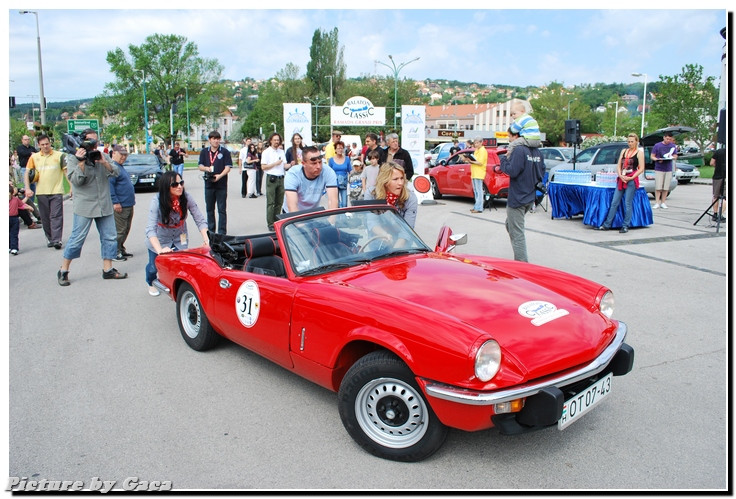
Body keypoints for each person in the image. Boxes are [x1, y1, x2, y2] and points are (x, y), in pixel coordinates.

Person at [57, 128, 127, 286]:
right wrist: (81, 162)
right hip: (85, 205)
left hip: (104, 204)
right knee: (77, 239)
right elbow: (76, 181)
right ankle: (63, 270)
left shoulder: (102, 155)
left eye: (96, 141)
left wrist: (104, 162)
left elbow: (116, 172)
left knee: (109, 237)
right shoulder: (73, 158)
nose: (94, 144)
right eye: (90, 141)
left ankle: (108, 269)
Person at [145, 171, 209, 297]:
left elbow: (200, 219)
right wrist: (160, 250)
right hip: (161, 239)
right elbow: (150, 230)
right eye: (174, 184)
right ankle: (150, 282)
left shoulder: (186, 197)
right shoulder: (157, 201)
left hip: (180, 237)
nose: (179, 186)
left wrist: (207, 239)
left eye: (181, 183)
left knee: (180, 266)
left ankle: (176, 289)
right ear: (166, 187)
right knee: (154, 266)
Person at [497, 128, 544, 262]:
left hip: (518, 198)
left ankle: (522, 264)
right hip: (530, 197)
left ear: (517, 136)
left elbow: (512, 171)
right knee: (510, 225)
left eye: (510, 137)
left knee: (517, 234)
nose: (509, 140)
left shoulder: (518, 150)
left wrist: (503, 160)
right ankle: (520, 254)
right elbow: (541, 173)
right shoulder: (538, 152)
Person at [24, 133, 67, 249]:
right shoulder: (34, 157)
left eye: (47, 143)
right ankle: (50, 238)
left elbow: (66, 172)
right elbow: (27, 173)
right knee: (45, 217)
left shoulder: (60, 155)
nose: (45, 146)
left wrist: (72, 187)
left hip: (56, 191)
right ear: (38, 145)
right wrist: (27, 188)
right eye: (42, 144)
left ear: (50, 143)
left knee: (56, 216)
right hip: (41, 192)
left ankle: (57, 239)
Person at [597, 133, 646, 234]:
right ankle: (607, 224)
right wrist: (620, 175)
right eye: (628, 141)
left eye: (632, 141)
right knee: (614, 202)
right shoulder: (624, 151)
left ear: (636, 142)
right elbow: (619, 164)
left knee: (627, 203)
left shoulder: (639, 153)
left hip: (631, 178)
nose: (630, 143)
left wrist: (632, 177)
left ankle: (625, 225)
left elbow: (641, 168)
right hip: (622, 178)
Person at [284, 146, 338, 213]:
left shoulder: (328, 171)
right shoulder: (293, 174)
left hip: (312, 212)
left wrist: (331, 221)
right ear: (303, 164)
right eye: (314, 163)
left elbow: (333, 201)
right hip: (292, 212)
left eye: (320, 162)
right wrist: (299, 223)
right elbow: (292, 206)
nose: (318, 166)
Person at [197, 131, 232, 234]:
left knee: (222, 209)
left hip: (221, 185)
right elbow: (200, 166)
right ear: (209, 140)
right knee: (209, 209)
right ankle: (211, 231)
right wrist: (206, 168)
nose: (216, 141)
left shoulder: (225, 152)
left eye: (217, 139)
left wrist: (219, 176)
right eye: (214, 139)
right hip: (209, 185)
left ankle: (222, 232)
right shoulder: (204, 152)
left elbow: (228, 167)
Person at [364, 161, 418, 228]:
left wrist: (400, 238)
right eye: (395, 179)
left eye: (402, 178)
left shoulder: (410, 197)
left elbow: (408, 227)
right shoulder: (371, 193)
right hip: (377, 235)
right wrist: (385, 235)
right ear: (385, 181)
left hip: (401, 234)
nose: (400, 183)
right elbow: (371, 222)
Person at [108, 145, 136, 260]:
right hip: (121, 205)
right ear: (113, 153)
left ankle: (120, 248)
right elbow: (110, 186)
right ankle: (115, 252)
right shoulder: (113, 168)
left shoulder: (120, 167)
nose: (123, 157)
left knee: (126, 228)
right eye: (121, 155)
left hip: (128, 204)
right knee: (120, 230)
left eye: (125, 155)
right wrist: (115, 202)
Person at [261, 133, 288, 231]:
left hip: (281, 178)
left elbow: (284, 165)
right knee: (271, 202)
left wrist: (292, 164)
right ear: (271, 141)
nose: (277, 142)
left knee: (279, 202)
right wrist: (275, 164)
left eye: (278, 140)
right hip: (271, 178)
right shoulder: (266, 152)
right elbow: (263, 166)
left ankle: (277, 221)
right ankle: (270, 223)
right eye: (275, 140)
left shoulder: (281, 152)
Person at [650, 131, 678, 209]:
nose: (668, 140)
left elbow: (675, 155)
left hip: (668, 168)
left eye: (670, 139)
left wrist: (673, 157)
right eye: (667, 139)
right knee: (658, 186)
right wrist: (657, 159)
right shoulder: (657, 146)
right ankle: (657, 202)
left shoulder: (673, 146)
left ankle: (663, 202)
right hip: (659, 168)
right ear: (664, 137)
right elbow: (652, 156)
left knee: (666, 187)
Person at [9, 184, 34, 255]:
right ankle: (9, 246)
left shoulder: (15, 199)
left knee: (14, 233)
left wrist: (29, 207)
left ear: (12, 193)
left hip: (14, 218)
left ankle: (14, 247)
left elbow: (21, 205)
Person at [465, 137, 488, 213]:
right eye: (475, 143)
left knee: (479, 191)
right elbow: (475, 161)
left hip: (479, 172)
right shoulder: (476, 150)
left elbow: (480, 162)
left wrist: (471, 161)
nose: (476, 144)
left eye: (477, 143)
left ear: (481, 143)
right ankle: (476, 206)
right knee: (475, 191)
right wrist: (469, 160)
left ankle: (479, 208)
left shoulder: (483, 151)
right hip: (474, 172)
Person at [328, 140, 351, 208]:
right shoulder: (331, 160)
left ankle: (344, 217)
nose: (340, 150)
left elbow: (350, 170)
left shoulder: (347, 159)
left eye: (341, 148)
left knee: (344, 204)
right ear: (335, 149)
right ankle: (337, 217)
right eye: (338, 148)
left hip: (344, 183)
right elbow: (329, 172)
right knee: (336, 203)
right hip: (334, 183)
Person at [710, 147, 727, 223]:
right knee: (725, 197)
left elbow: (711, 163)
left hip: (717, 176)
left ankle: (715, 214)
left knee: (715, 196)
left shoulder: (718, 151)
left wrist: (718, 166)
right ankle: (721, 215)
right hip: (725, 177)